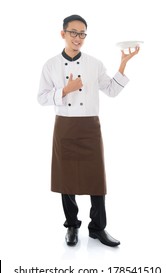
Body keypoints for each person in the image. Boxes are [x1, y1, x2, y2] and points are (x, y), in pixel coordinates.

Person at [38, 14, 140, 247]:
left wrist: (123, 64)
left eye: (82, 33)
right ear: (63, 34)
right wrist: (65, 90)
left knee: (96, 179)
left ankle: (97, 228)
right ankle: (72, 226)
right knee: (66, 180)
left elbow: (112, 90)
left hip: (90, 126)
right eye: (73, 32)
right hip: (64, 126)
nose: (78, 38)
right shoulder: (50, 65)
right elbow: (41, 98)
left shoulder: (94, 64)